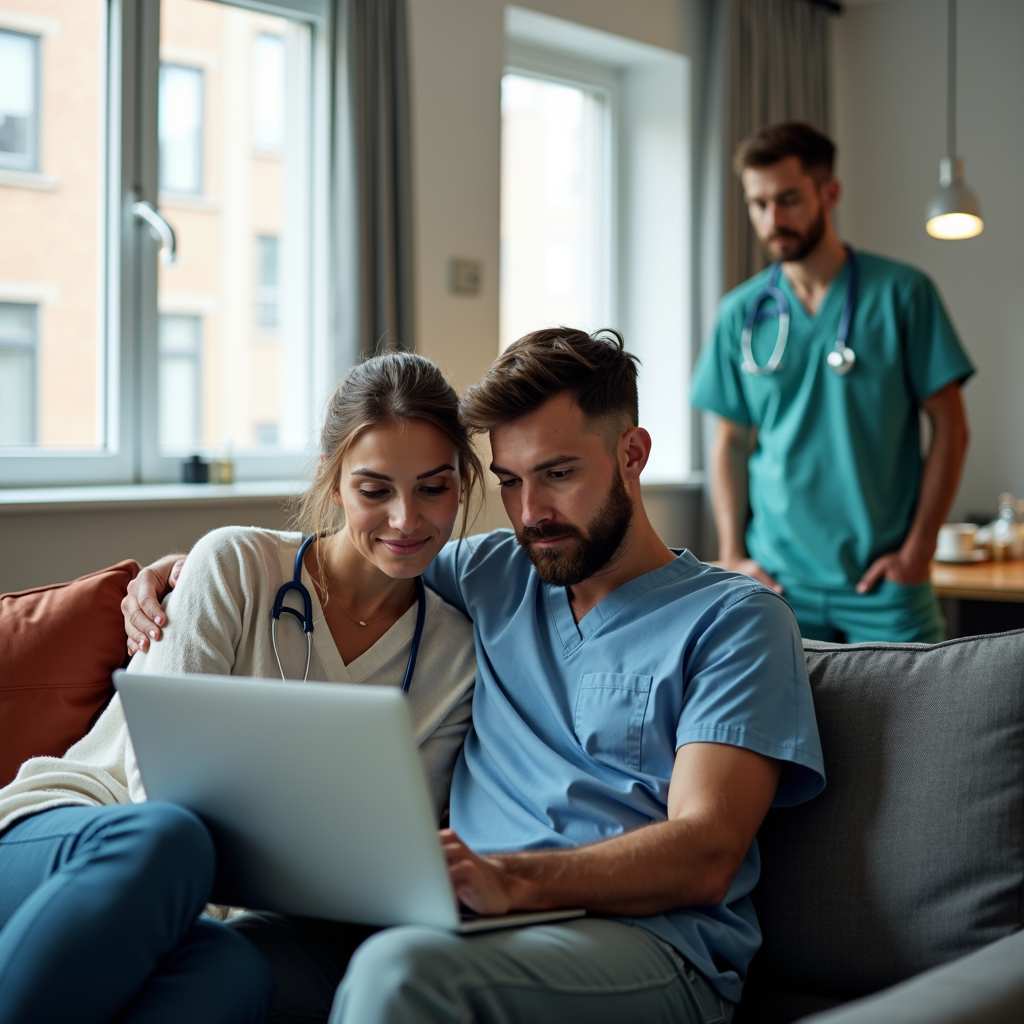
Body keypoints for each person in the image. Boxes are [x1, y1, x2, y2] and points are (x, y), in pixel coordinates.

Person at [128, 328, 825, 1024]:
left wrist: (511, 880)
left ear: (632, 453)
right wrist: (189, 568)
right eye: (510, 482)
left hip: (649, 945)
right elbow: (359, 548)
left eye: (558, 474)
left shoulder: (736, 620)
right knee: (214, 958)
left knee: (402, 977)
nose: (530, 514)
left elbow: (707, 850)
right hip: (456, 924)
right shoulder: (496, 572)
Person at [0, 352, 481, 1024]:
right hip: (88, 835)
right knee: (169, 838)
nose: (407, 519)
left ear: (463, 482)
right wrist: (214, 904)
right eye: (376, 490)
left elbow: (380, 854)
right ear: (334, 482)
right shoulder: (235, 564)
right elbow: (153, 781)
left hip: (234, 907)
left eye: (434, 488)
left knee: (235, 972)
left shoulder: (456, 655)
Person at [691, 122, 973, 644]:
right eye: (758, 204)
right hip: (777, 582)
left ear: (830, 192)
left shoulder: (903, 295)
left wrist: (919, 550)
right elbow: (730, 442)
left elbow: (951, 429)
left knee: (932, 720)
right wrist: (733, 556)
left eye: (789, 199)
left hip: (885, 583)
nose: (773, 219)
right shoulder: (740, 314)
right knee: (784, 726)